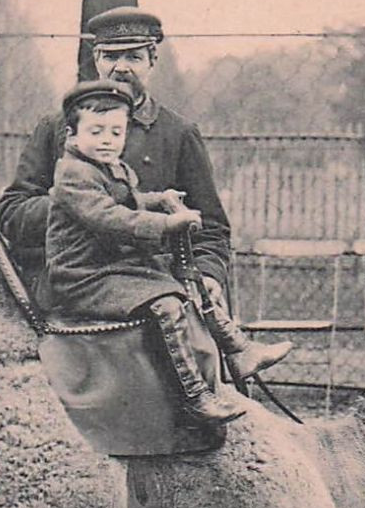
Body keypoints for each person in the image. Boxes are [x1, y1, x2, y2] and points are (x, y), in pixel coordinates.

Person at [40, 80, 287, 426]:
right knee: (166, 304)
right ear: (71, 134)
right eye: (96, 131)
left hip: (110, 268)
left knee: (186, 277)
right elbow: (110, 217)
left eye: (116, 132)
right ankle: (195, 397)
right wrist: (166, 225)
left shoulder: (111, 167)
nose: (108, 140)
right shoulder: (72, 174)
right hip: (81, 277)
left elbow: (131, 201)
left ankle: (237, 349)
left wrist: (161, 198)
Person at [0, 7, 234, 315]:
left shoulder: (178, 133)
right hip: (76, 278)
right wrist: (74, 206)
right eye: (110, 57)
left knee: (195, 331)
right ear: (96, 60)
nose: (121, 68)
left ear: (152, 60)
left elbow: (211, 227)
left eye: (134, 57)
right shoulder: (58, 126)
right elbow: (12, 213)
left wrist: (208, 272)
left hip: (153, 272)